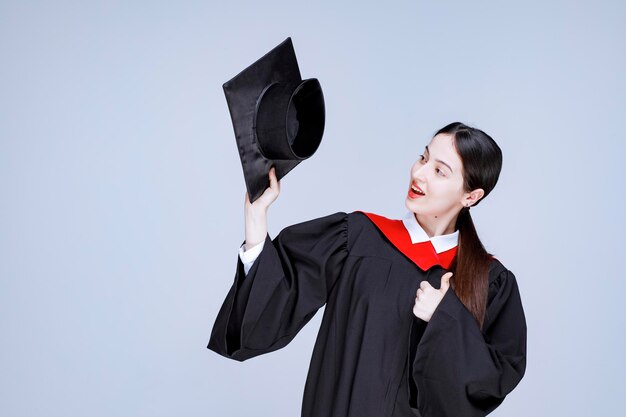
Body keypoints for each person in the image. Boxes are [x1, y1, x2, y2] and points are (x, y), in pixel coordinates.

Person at [207, 122, 527, 417]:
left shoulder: (490, 281)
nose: (420, 174)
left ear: (470, 196)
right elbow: (278, 296)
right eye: (423, 158)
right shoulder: (357, 238)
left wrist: (445, 317)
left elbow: (488, 383)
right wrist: (256, 218)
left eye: (440, 171)